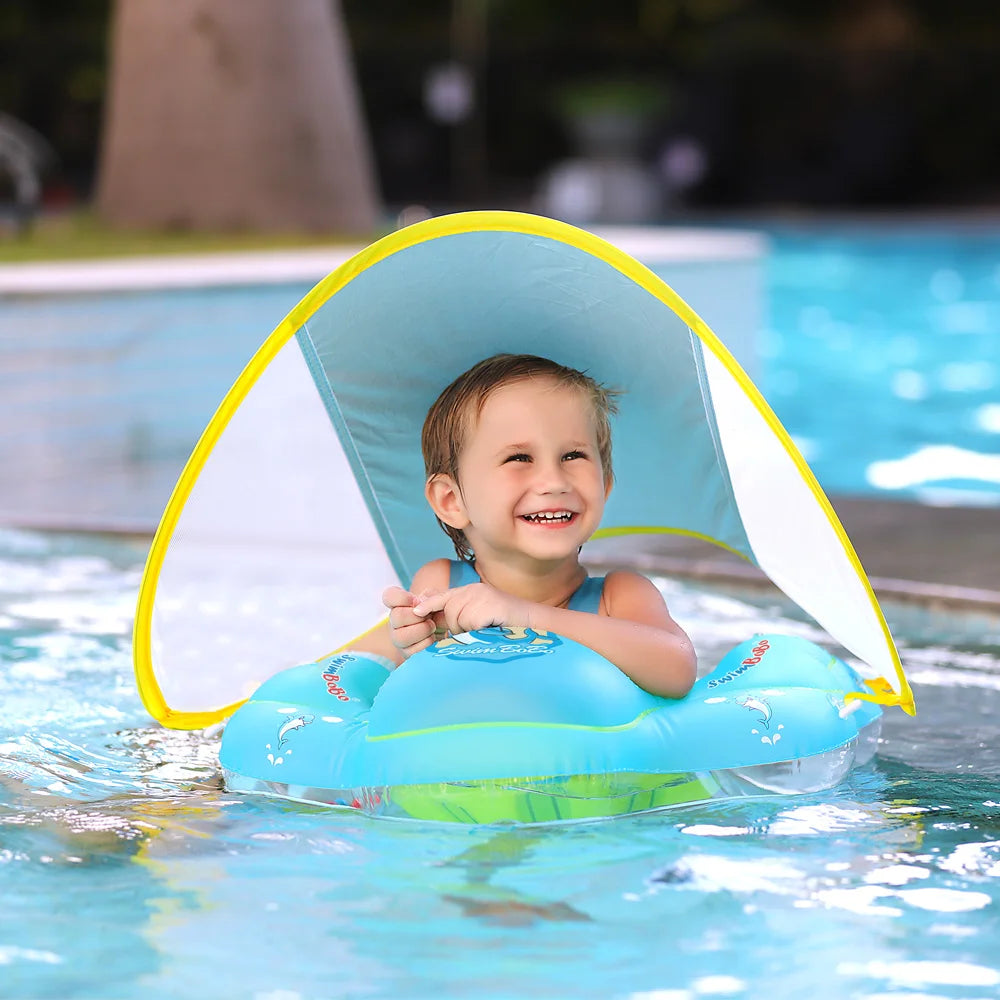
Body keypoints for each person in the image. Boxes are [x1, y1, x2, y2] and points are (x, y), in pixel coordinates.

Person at [358, 353, 696, 699]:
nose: (554, 481)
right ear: (451, 501)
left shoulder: (620, 596)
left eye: (573, 456)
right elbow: (420, 693)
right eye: (518, 458)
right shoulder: (442, 585)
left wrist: (524, 615)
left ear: (605, 484)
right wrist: (411, 642)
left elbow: (677, 668)